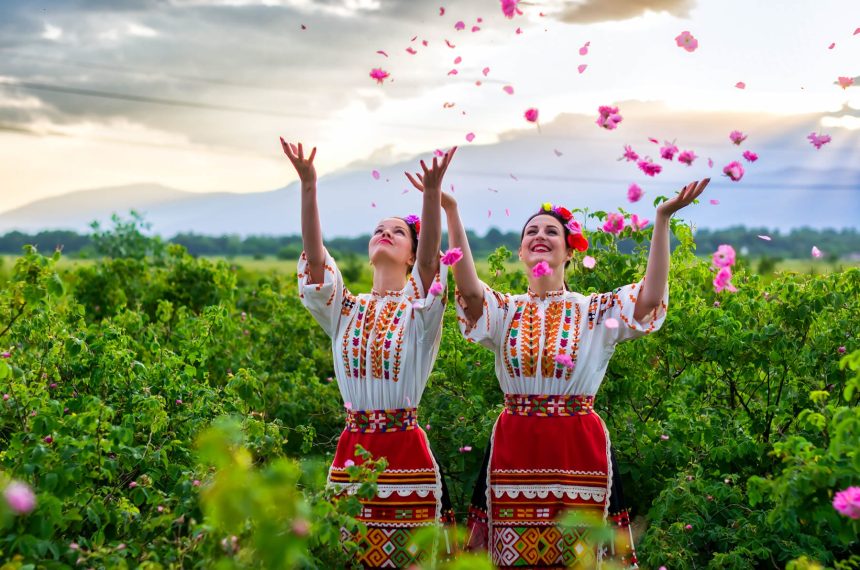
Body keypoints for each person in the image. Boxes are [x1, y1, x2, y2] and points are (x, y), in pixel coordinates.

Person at [413, 175, 709, 568]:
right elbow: (469, 291)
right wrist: (450, 210)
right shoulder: (506, 309)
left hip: (577, 450)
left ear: (569, 251)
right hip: (515, 448)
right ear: (520, 251)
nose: (540, 235)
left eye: (551, 231)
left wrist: (662, 218)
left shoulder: (594, 311)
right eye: (531, 231)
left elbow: (649, 297)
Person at [285, 138, 458, 568]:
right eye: (378, 229)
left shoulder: (419, 310)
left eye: (398, 231)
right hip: (352, 453)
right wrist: (309, 185)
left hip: (406, 456)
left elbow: (432, 266)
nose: (385, 233)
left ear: (412, 255)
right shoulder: (346, 308)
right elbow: (317, 261)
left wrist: (431, 196)